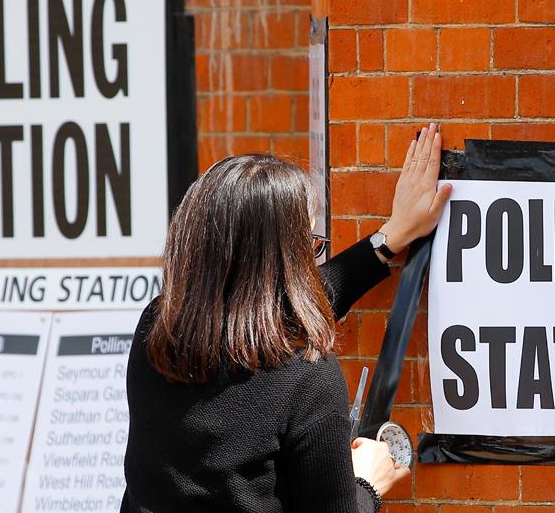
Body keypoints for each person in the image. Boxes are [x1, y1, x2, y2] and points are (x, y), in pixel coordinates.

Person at [121, 123, 452, 512]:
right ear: (284, 261)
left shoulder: (159, 327)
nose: (313, 259)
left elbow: (267, 310)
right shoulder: (308, 377)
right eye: (310, 246)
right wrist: (368, 482)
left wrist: (389, 237)